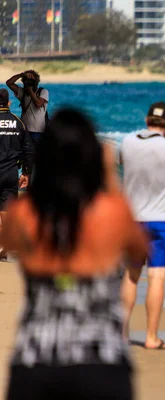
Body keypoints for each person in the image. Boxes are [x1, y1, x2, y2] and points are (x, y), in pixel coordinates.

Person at [0, 109, 148, 400]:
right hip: (100, 359)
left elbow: (8, 241)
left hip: (37, 358)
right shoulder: (112, 213)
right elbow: (139, 250)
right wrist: (108, 176)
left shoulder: (25, 215)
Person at [120, 101, 165, 350]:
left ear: (147, 121)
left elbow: (122, 162)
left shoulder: (128, 141)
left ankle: (122, 334)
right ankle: (151, 337)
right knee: (157, 276)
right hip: (161, 219)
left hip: (132, 219)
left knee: (130, 275)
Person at [0, 88, 33, 261]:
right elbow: (28, 150)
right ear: (9, 103)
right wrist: (26, 173)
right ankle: (4, 248)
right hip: (10, 173)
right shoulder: (18, 122)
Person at [6, 69, 49, 148]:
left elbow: (38, 104)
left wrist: (31, 91)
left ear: (36, 81)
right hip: (25, 131)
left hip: (38, 132)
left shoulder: (43, 92)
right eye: (26, 81)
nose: (28, 83)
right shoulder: (23, 93)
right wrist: (21, 75)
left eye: (31, 81)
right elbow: (9, 83)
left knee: (37, 156)